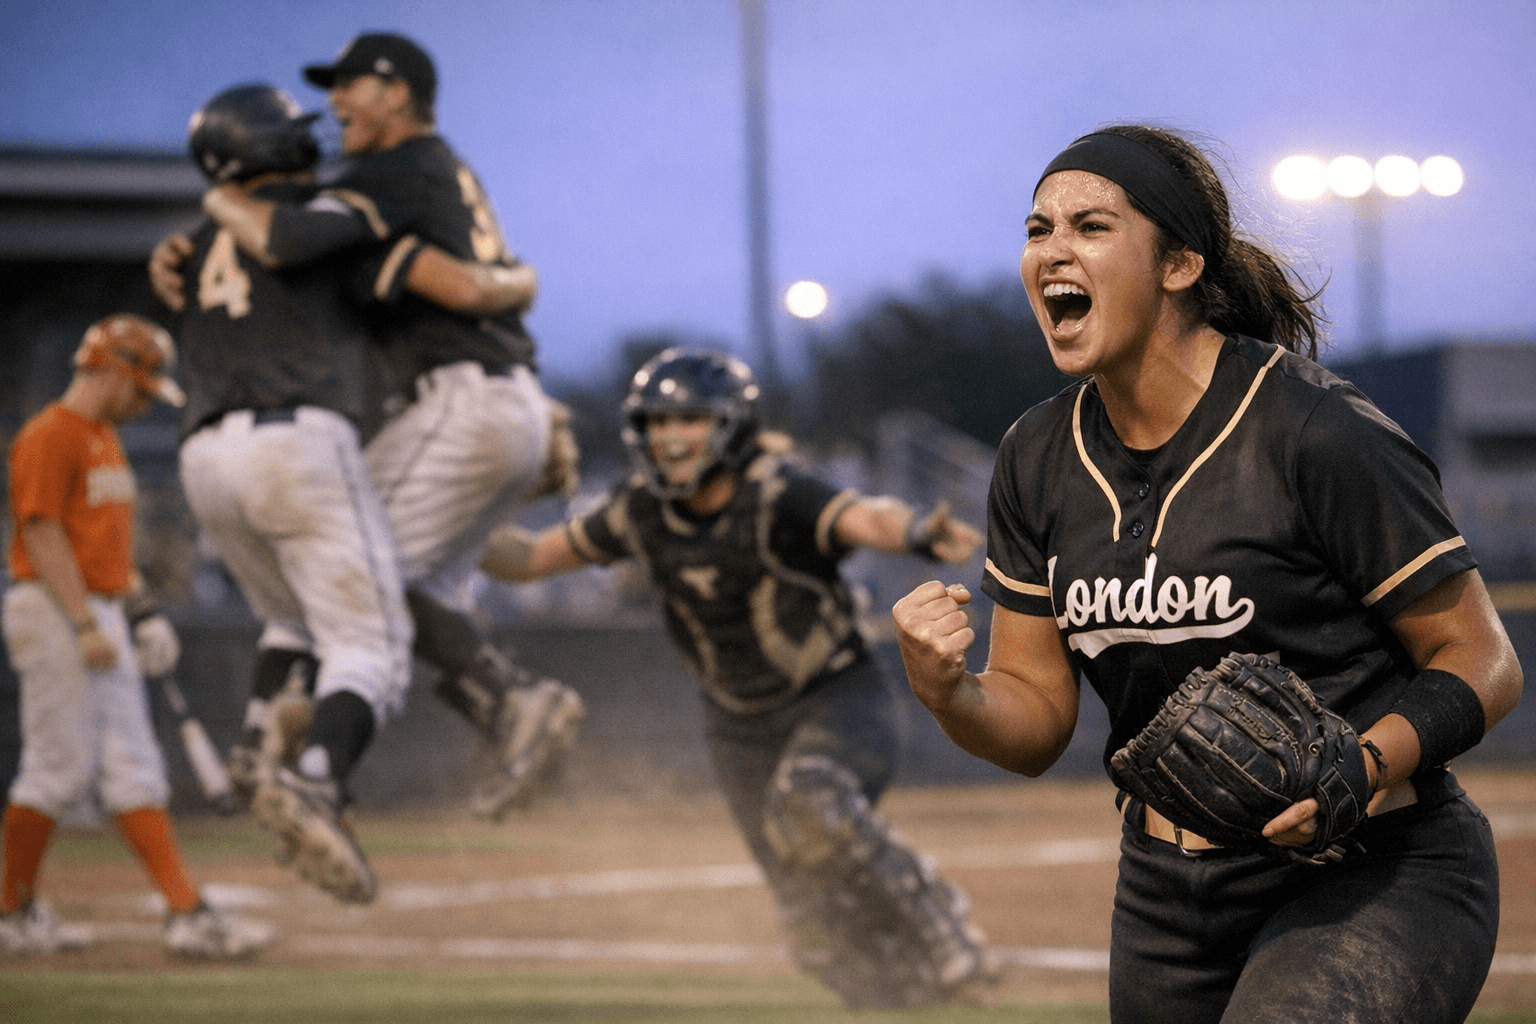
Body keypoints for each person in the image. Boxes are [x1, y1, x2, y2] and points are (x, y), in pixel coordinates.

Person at [893, 124, 1523, 1023]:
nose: (1053, 250)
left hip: (1375, 869)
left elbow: (1484, 662)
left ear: (1180, 264)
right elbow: (1034, 719)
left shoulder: (1314, 428)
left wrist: (1363, 761)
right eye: (1038, 229)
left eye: (1092, 226)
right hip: (1166, 896)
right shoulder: (1037, 455)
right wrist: (948, 691)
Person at [151, 32, 584, 822]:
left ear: (395, 92)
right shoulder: (424, 173)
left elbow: (306, 245)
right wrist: (521, 296)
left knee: (355, 580)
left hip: (464, 399)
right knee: (365, 580)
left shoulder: (394, 171)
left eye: (349, 86)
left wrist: (217, 201)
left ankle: (499, 704)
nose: (336, 105)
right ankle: (291, 732)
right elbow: (459, 280)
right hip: (481, 398)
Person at [479, 348, 995, 1008]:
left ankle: (941, 928)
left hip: (834, 698)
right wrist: (447, 527)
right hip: (737, 726)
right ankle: (901, 999)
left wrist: (920, 529)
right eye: (656, 421)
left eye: (688, 418)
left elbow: (862, 517)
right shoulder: (637, 510)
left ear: (732, 424)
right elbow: (525, 559)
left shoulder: (777, 491)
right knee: (810, 926)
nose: (669, 437)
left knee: (813, 801)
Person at [0, 314, 275, 958]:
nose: (145, 400)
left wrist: (141, 612)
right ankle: (10, 912)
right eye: (143, 386)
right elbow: (41, 534)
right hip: (56, 611)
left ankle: (187, 914)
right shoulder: (50, 435)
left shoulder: (103, 437)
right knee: (56, 768)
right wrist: (87, 622)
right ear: (116, 370)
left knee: (132, 767)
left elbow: (108, 547)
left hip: (100, 610)